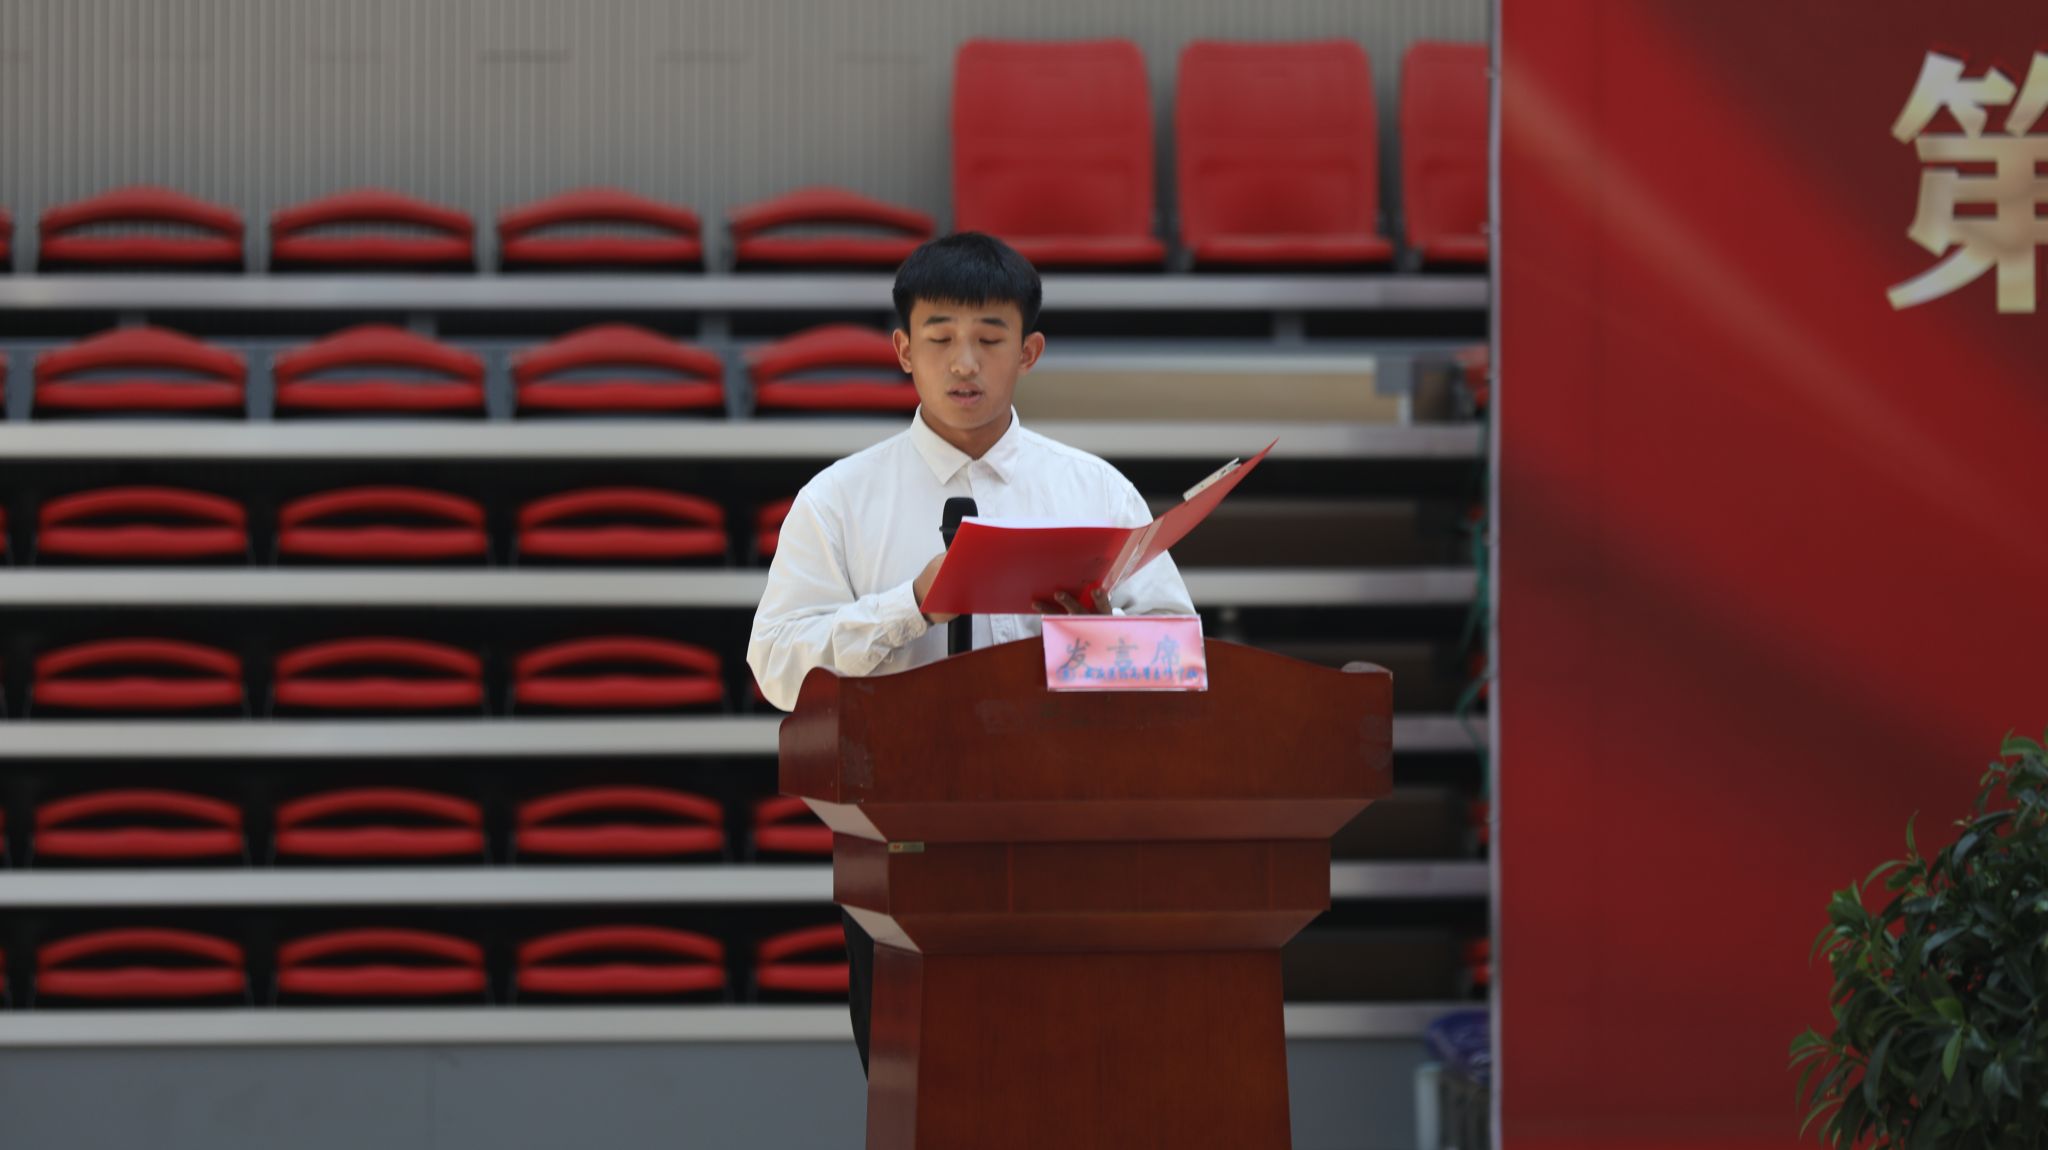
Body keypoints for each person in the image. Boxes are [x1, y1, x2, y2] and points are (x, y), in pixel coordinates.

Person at [746, 231, 1196, 1076]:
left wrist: (1093, 638)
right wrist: (910, 605)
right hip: (897, 843)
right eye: (941, 336)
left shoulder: (1094, 491)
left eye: (990, 338)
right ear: (902, 351)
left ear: (1029, 352)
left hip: (1066, 837)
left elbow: (1176, 662)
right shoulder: (838, 499)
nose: (964, 362)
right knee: (916, 1091)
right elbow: (775, 665)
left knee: (1069, 1082)